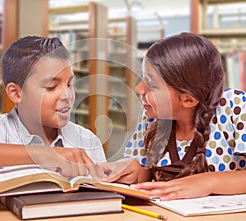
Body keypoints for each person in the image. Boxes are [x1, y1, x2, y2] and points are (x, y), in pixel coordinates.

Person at [0, 36, 106, 191]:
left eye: (70, 84)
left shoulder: (88, 141)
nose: (68, 95)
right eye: (51, 87)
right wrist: (44, 155)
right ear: (16, 93)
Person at [103, 32, 246, 199]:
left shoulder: (234, 106)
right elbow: (147, 175)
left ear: (188, 99)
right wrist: (133, 172)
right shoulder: (152, 118)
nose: (138, 89)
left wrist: (208, 182)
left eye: (151, 84)